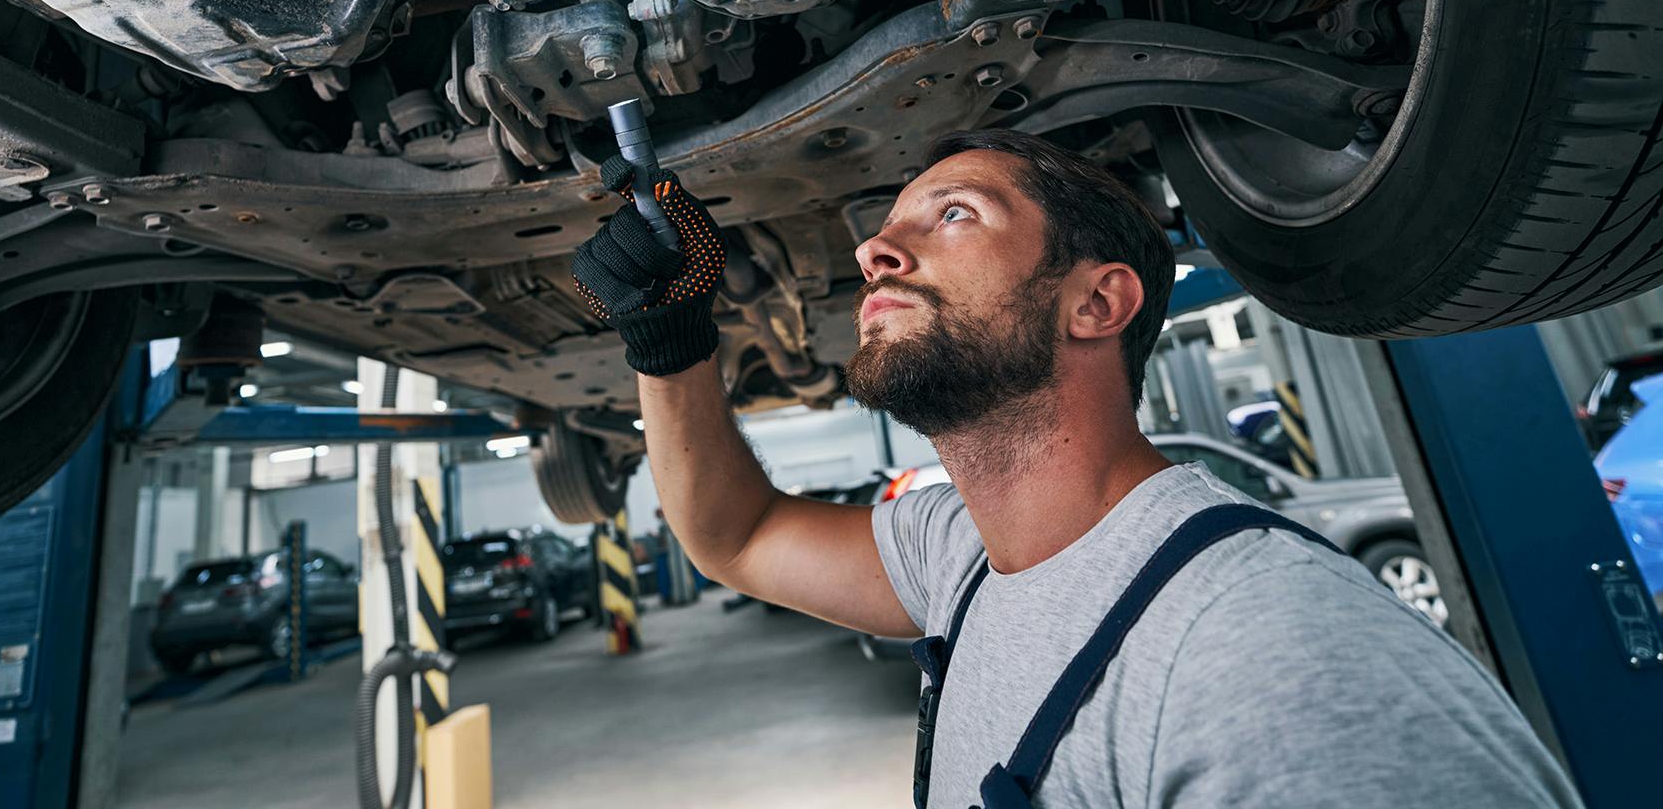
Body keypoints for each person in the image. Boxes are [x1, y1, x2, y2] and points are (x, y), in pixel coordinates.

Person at [570, 128, 1580, 808]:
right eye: (892, 226)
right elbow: (733, 535)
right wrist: (670, 337)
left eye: (953, 215)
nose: (877, 248)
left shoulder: (1269, 651)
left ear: (1096, 305)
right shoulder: (958, 558)